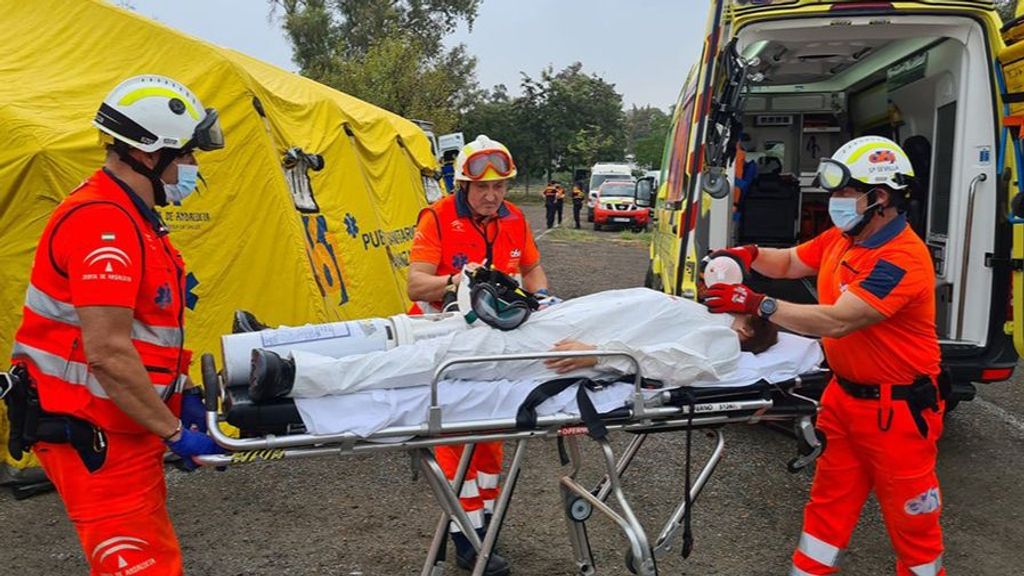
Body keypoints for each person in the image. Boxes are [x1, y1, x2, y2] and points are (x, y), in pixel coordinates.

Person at [8, 75, 226, 575]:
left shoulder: (134, 217)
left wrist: (178, 394)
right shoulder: (102, 224)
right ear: (151, 155)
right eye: (188, 156)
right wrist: (174, 431)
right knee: (138, 565)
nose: (192, 170)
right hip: (92, 431)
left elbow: (148, 334)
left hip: (121, 424)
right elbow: (107, 352)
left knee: (153, 556)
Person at [703, 135, 944, 576]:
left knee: (914, 523)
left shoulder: (902, 259)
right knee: (827, 510)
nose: (835, 201)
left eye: (845, 192)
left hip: (898, 412)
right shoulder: (843, 239)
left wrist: (758, 304)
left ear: (881, 197)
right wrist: (749, 254)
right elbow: (792, 261)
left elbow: (839, 320)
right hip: (844, 401)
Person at [404, 134, 549, 575]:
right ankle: (466, 539)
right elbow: (415, 284)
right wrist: (458, 282)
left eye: (499, 187)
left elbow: (532, 268)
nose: (491, 196)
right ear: (463, 185)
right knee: (455, 442)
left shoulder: (515, 219)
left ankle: (481, 526)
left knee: (490, 442)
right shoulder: (438, 218)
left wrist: (544, 300)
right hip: (443, 338)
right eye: (482, 188)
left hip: (495, 343)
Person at [248, 287, 779, 400]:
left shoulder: (722, 341)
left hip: (547, 349)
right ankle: (278, 342)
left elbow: (683, 367)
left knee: (423, 360)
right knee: (407, 330)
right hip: (534, 323)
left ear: (750, 326)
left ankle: (297, 376)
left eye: (745, 306)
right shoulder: (694, 309)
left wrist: (607, 356)